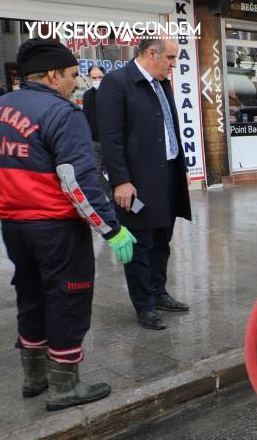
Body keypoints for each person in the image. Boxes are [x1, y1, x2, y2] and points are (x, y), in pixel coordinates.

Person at [0, 39, 135, 411]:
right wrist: (111, 228)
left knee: (30, 294)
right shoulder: (62, 113)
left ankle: (34, 376)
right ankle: (64, 386)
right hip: (56, 228)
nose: (76, 84)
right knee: (67, 299)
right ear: (53, 74)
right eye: (73, 75)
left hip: (14, 227)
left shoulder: (2, 107)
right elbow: (78, 183)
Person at [98, 37, 192, 331]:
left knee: (162, 240)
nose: (174, 65)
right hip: (136, 182)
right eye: (171, 58)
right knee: (140, 245)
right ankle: (145, 306)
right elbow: (110, 138)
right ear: (151, 53)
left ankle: (159, 292)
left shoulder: (161, 83)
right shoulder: (117, 83)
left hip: (166, 175)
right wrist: (121, 181)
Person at [81, 65, 110, 197]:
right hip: (94, 142)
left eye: (99, 77)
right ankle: (111, 197)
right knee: (95, 175)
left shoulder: (112, 93)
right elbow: (85, 116)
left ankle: (129, 203)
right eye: (94, 78)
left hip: (110, 142)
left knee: (118, 175)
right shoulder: (87, 95)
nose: (97, 80)